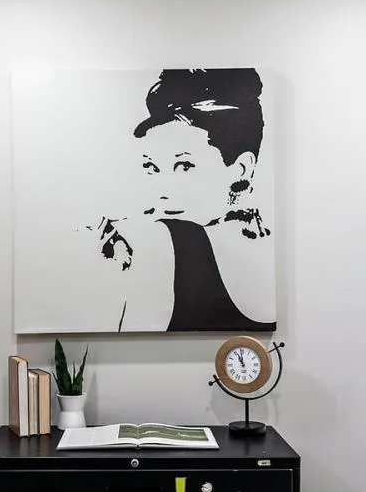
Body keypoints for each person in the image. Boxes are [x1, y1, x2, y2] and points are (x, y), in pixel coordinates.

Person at [95, 68, 276, 332]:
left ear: (241, 169)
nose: (162, 190)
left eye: (185, 166)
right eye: (152, 168)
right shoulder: (268, 253)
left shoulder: (160, 240)